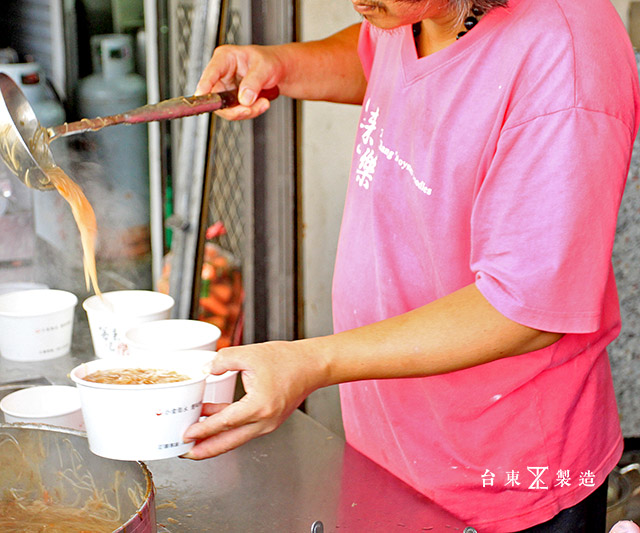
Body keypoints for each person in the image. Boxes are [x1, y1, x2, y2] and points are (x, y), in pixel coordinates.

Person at [181, 0, 640, 531]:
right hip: (391, 451)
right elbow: (387, 61)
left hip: (504, 483)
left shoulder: (566, 58)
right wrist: (279, 63)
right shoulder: (411, 12)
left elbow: (523, 310)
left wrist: (313, 364)